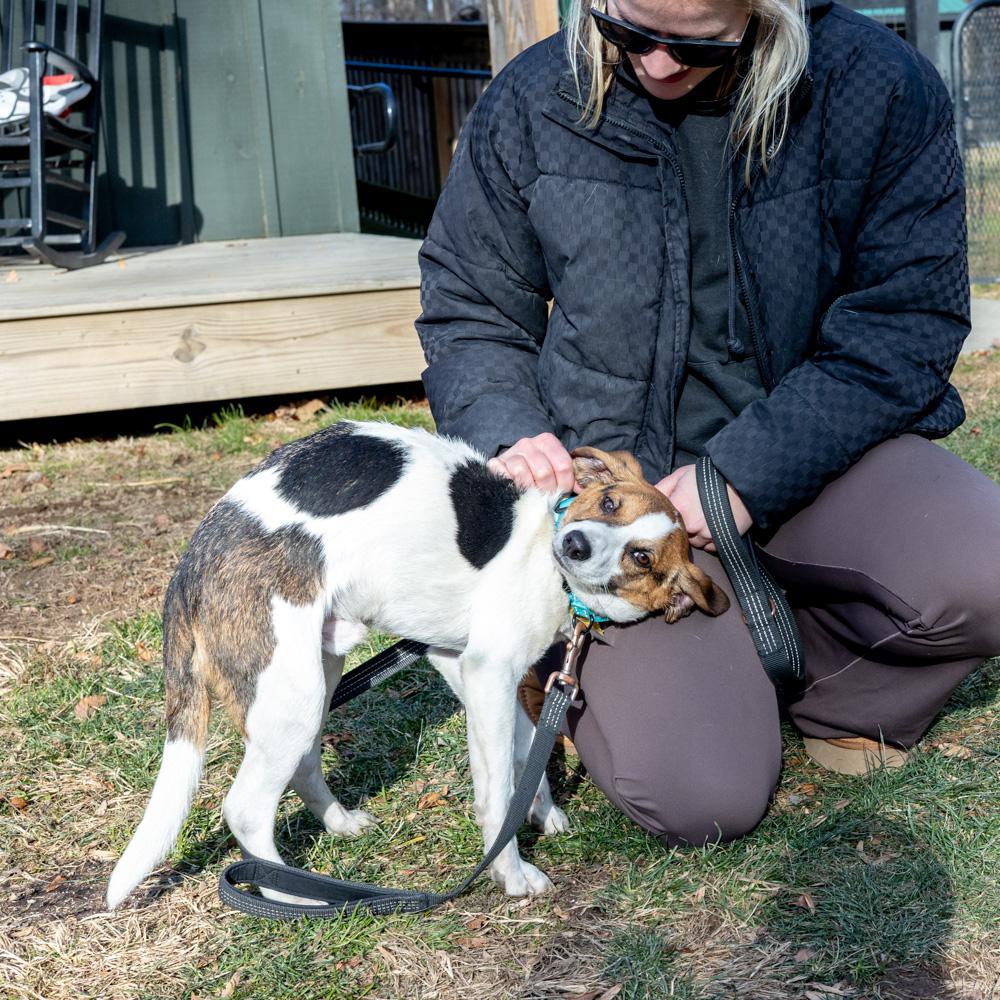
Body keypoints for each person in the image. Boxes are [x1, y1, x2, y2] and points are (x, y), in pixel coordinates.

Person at [415, 0, 1000, 847]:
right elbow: (470, 309)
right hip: (623, 503)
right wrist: (511, 433)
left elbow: (906, 324)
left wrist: (743, 479)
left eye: (693, 43)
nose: (654, 65)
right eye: (625, 33)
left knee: (984, 568)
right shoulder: (533, 98)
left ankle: (835, 691)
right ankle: (589, 668)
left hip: (821, 454)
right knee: (702, 795)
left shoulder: (878, 84)